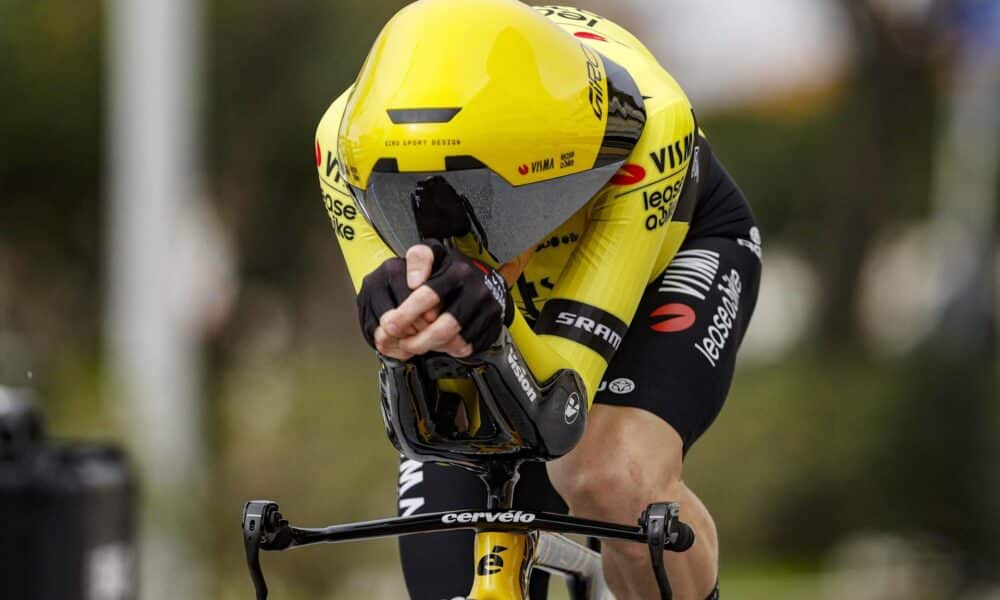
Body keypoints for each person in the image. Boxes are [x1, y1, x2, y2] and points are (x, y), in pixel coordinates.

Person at [314, 1, 761, 598]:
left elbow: (562, 402)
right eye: (414, 195)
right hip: (511, 297)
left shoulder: (654, 124)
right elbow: (418, 366)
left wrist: (492, 303)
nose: (456, 223)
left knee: (608, 478)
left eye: (488, 196)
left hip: (667, 256)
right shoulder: (342, 143)